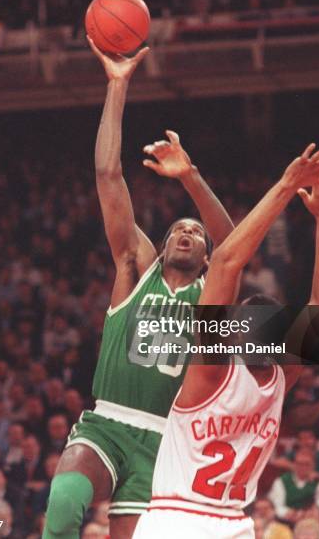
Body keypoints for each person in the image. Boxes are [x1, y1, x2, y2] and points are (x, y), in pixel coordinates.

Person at [43, 41, 234, 539]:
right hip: (107, 421)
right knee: (64, 504)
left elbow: (236, 244)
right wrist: (117, 84)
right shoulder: (136, 268)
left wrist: (190, 176)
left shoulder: (211, 298)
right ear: (161, 244)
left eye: (196, 232)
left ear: (208, 256)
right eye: (176, 230)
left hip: (166, 441)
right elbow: (108, 175)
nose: (185, 233)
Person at [134, 144, 319, 538]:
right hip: (231, 523)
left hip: (175, 519)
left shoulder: (213, 369)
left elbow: (229, 260)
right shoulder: (282, 377)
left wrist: (286, 186)